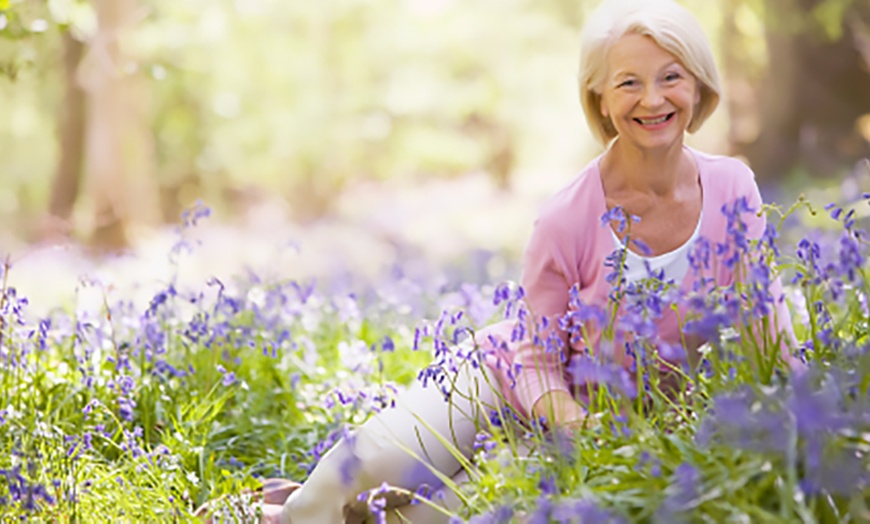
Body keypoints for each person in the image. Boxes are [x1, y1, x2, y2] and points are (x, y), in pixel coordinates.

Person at [242, 0, 798, 522]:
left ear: (699, 86)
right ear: (600, 99)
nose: (652, 100)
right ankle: (295, 510)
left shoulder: (733, 187)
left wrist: (802, 404)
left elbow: (761, 307)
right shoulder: (568, 216)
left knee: (441, 515)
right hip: (508, 381)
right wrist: (584, 430)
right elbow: (533, 357)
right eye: (629, 82)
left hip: (604, 426)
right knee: (359, 471)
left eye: (670, 77)